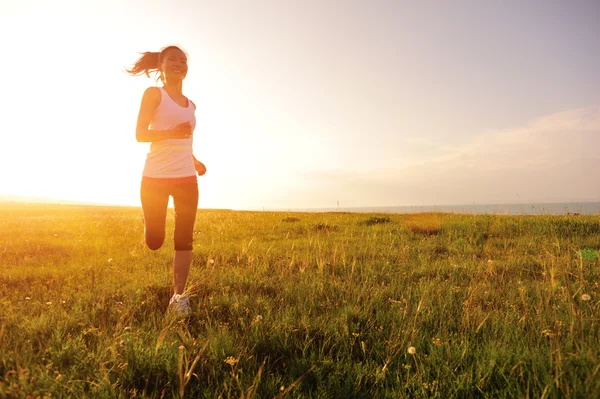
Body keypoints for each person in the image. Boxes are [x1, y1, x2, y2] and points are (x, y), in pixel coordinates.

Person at [126, 45, 206, 316]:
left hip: (186, 178)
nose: (178, 63)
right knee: (155, 240)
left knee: (184, 237)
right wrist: (170, 132)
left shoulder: (191, 105)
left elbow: (185, 139)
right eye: (172, 59)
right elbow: (140, 134)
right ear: (161, 65)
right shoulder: (153, 94)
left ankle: (179, 296)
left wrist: (195, 162)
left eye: (183, 60)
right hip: (155, 178)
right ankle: (150, 224)